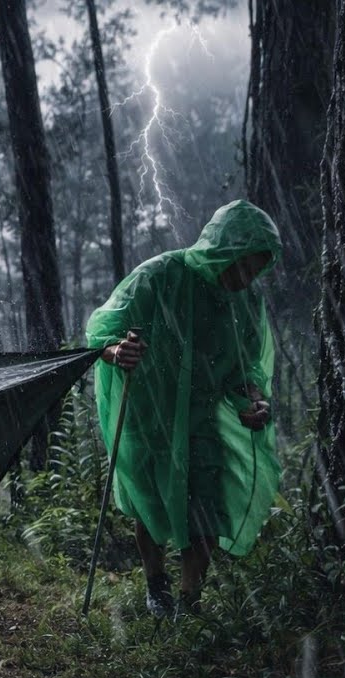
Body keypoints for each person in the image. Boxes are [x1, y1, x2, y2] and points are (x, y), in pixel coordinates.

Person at [86, 199, 281, 618]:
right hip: (148, 410)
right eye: (242, 267)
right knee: (150, 499)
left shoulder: (245, 302)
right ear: (223, 250)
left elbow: (245, 366)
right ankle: (156, 584)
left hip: (200, 417)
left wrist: (254, 399)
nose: (245, 279)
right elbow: (102, 332)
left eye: (255, 271)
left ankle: (190, 602)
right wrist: (117, 351)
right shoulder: (158, 276)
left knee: (205, 503)